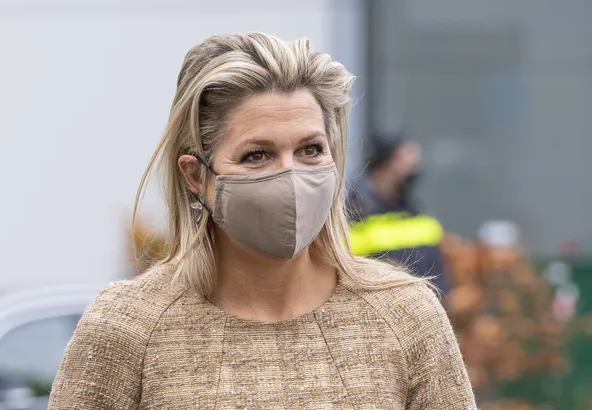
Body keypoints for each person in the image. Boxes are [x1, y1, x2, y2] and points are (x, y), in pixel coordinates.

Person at [48, 32, 475, 409]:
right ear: (196, 176)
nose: (290, 177)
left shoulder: (405, 316)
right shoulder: (128, 327)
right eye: (257, 155)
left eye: (310, 149)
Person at [346, 131, 451, 294]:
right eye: (406, 159)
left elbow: (437, 272)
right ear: (383, 165)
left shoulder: (417, 212)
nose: (415, 168)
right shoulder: (354, 214)